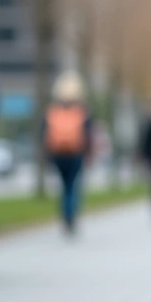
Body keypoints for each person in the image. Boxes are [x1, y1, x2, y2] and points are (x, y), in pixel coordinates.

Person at [43, 72, 92, 236]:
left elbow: (45, 133)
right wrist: (89, 153)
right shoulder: (81, 111)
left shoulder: (53, 111)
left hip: (58, 153)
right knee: (72, 186)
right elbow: (88, 134)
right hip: (75, 152)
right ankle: (71, 216)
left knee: (64, 186)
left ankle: (65, 215)